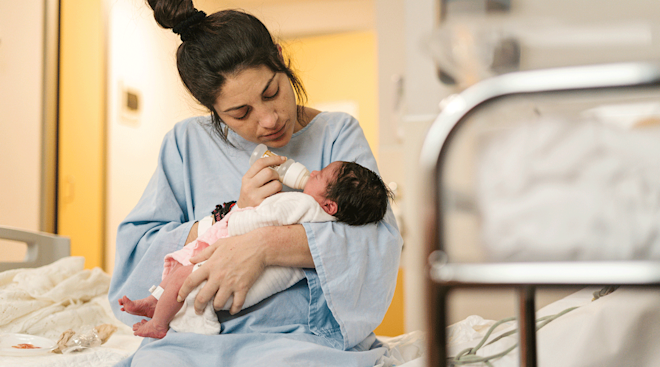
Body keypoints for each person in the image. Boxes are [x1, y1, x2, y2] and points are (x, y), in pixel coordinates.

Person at [108, 2, 403, 366]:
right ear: (212, 108)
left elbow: (378, 243)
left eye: (271, 92)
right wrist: (230, 217)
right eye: (240, 113)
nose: (269, 120)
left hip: (305, 338)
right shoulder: (186, 143)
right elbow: (137, 252)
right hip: (192, 341)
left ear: (280, 59)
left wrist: (263, 245)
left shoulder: (337, 133)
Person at [118, 161, 393, 339]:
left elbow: (260, 219)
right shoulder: (327, 219)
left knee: (181, 278)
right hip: (247, 289)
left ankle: (158, 323)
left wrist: (238, 215)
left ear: (329, 205)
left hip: (232, 278)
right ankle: (155, 305)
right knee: (181, 279)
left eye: (319, 175)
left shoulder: (302, 204)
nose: (311, 172)